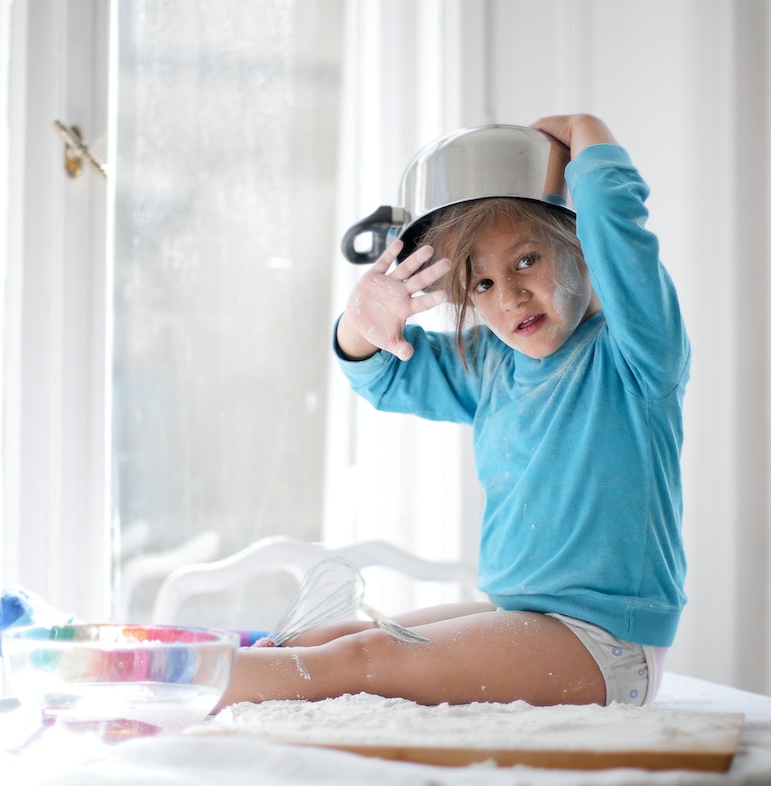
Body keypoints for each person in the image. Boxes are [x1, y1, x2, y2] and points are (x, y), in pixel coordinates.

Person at [219, 113, 689, 709]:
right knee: (338, 638)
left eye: (526, 261)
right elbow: (384, 377)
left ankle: (182, 677)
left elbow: (619, 230)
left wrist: (584, 130)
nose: (511, 295)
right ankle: (205, 676)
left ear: (583, 249)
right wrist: (363, 323)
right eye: (482, 284)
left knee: (363, 660)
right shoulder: (492, 364)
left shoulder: (636, 355)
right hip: (525, 616)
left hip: (604, 645)